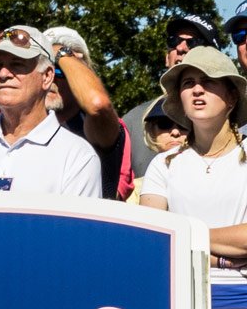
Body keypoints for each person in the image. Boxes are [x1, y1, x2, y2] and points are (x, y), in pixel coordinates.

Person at [0, 28, 105, 205]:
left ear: (46, 77)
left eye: (17, 64)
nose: (3, 74)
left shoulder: (77, 157)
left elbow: (76, 232)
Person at [139, 45, 247, 259]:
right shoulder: (163, 164)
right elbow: (150, 239)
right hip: (179, 287)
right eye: (189, 83)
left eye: (209, 81)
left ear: (232, 97)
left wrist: (181, 235)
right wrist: (221, 261)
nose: (197, 90)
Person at [124, 15, 223, 181]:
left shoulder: (232, 121)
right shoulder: (134, 121)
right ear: (166, 57)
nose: (181, 48)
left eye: (194, 42)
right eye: (173, 41)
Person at [44, 28, 131, 199]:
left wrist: (61, 52)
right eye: (45, 69)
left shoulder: (95, 125)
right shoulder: (25, 127)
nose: (51, 79)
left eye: (60, 69)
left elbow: (97, 104)